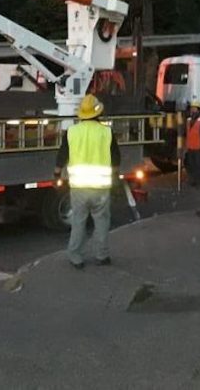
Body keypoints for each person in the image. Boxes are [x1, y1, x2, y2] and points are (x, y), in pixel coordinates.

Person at [53, 94, 120, 270]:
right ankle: (102, 255)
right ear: (98, 113)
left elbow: (62, 156)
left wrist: (57, 174)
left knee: (78, 222)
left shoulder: (72, 132)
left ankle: (75, 257)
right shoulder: (106, 132)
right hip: (100, 188)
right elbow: (116, 160)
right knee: (102, 223)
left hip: (79, 188)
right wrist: (115, 180)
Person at [185, 101, 200, 187]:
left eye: (195, 109)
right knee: (191, 165)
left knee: (198, 166)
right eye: (192, 108)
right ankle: (193, 181)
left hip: (198, 147)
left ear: (199, 111)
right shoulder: (188, 120)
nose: (193, 110)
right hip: (190, 147)